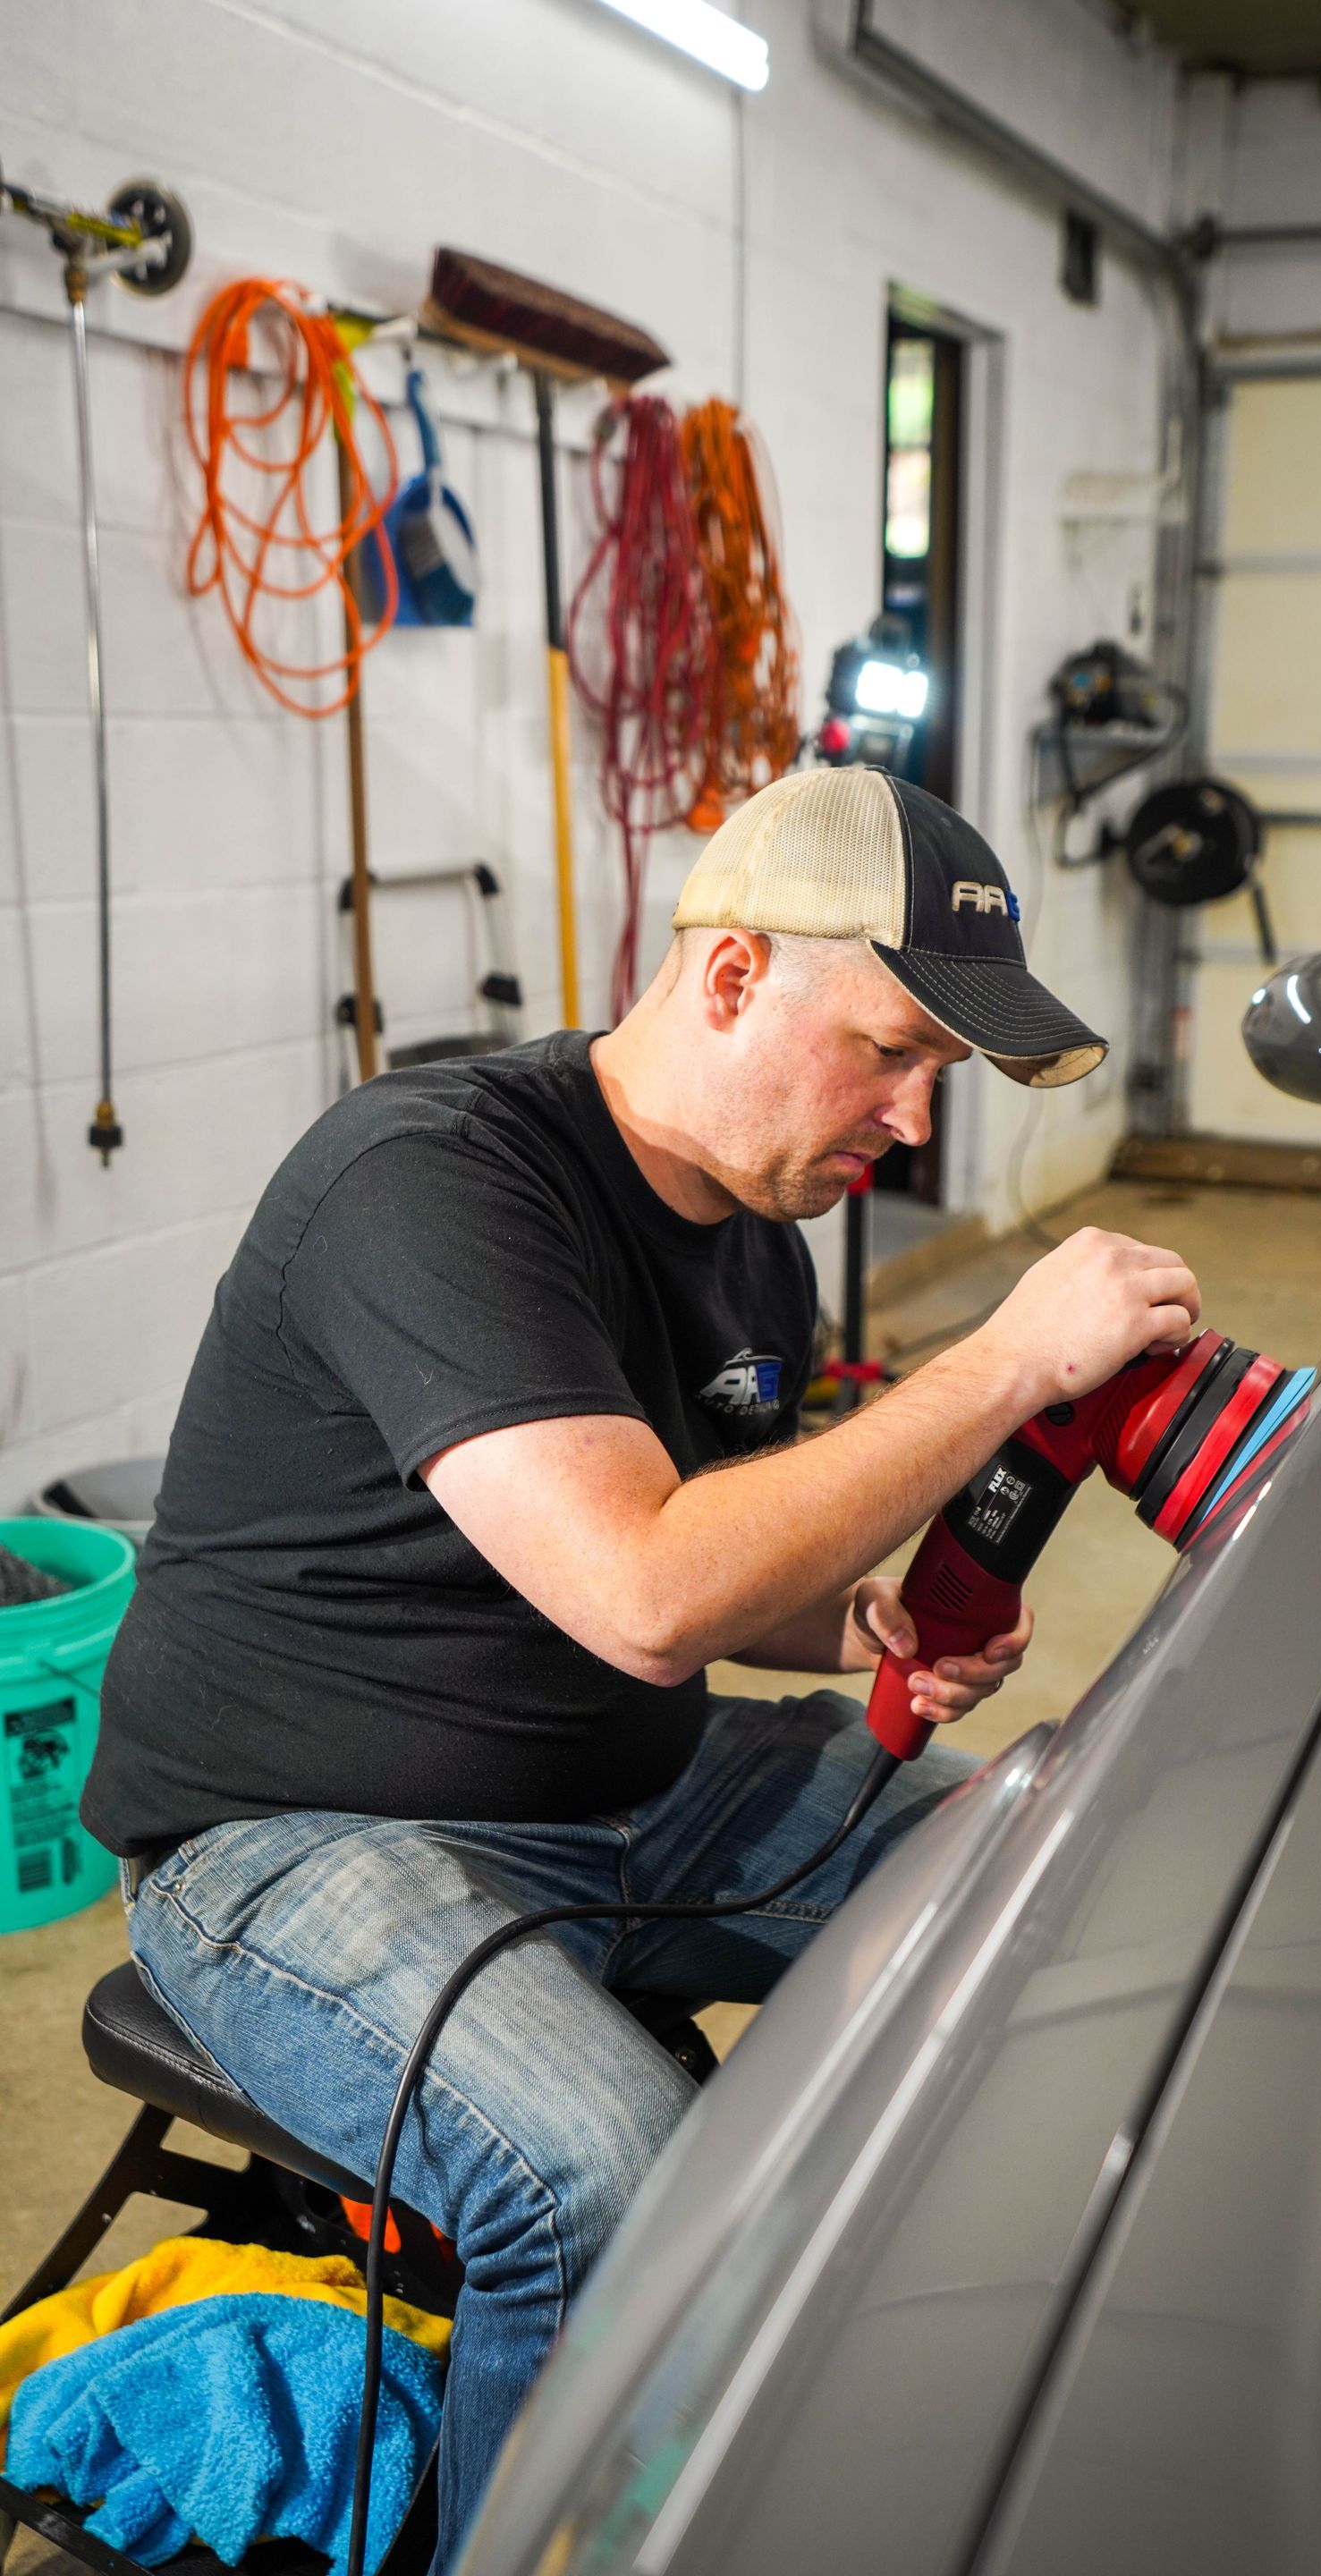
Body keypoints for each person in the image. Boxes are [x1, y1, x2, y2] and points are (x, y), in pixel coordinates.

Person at [84, 766, 1201, 2569]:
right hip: (293, 1834)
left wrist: (844, 1622)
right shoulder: (428, 1179)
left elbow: (673, 1555)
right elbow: (641, 1588)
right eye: (895, 1051)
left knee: (1052, 1908)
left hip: (630, 1780)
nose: (914, 1128)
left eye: (944, 1079)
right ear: (736, 972)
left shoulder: (758, 1231)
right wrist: (1005, 1363)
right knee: (604, 2177)